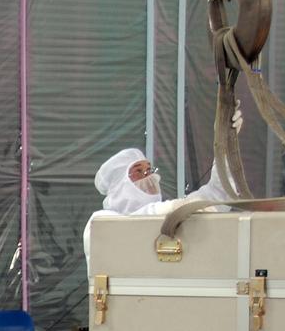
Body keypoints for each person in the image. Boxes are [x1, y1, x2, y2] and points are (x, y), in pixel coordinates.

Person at [84, 104, 243, 258]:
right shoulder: (99, 223)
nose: (149, 177)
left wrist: (224, 146)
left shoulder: (167, 217)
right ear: (119, 185)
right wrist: (174, 209)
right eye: (138, 171)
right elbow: (128, 226)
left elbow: (219, 195)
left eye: (149, 170)